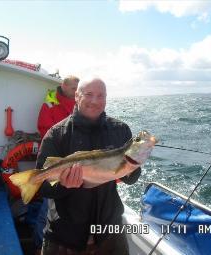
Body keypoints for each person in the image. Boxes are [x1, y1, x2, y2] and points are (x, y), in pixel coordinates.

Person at [36, 78, 141, 255]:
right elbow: (42, 187)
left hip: (109, 231)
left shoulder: (120, 130)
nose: (95, 101)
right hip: (65, 235)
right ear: (77, 96)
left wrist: (133, 165)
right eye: (89, 94)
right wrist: (64, 185)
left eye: (101, 96)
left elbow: (131, 179)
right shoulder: (56, 134)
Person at [31, 75, 79, 254]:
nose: (76, 92)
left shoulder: (78, 103)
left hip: (74, 161)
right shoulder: (51, 103)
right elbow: (44, 128)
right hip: (56, 157)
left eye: (77, 89)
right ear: (63, 86)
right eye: (73, 88)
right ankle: (38, 245)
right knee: (47, 207)